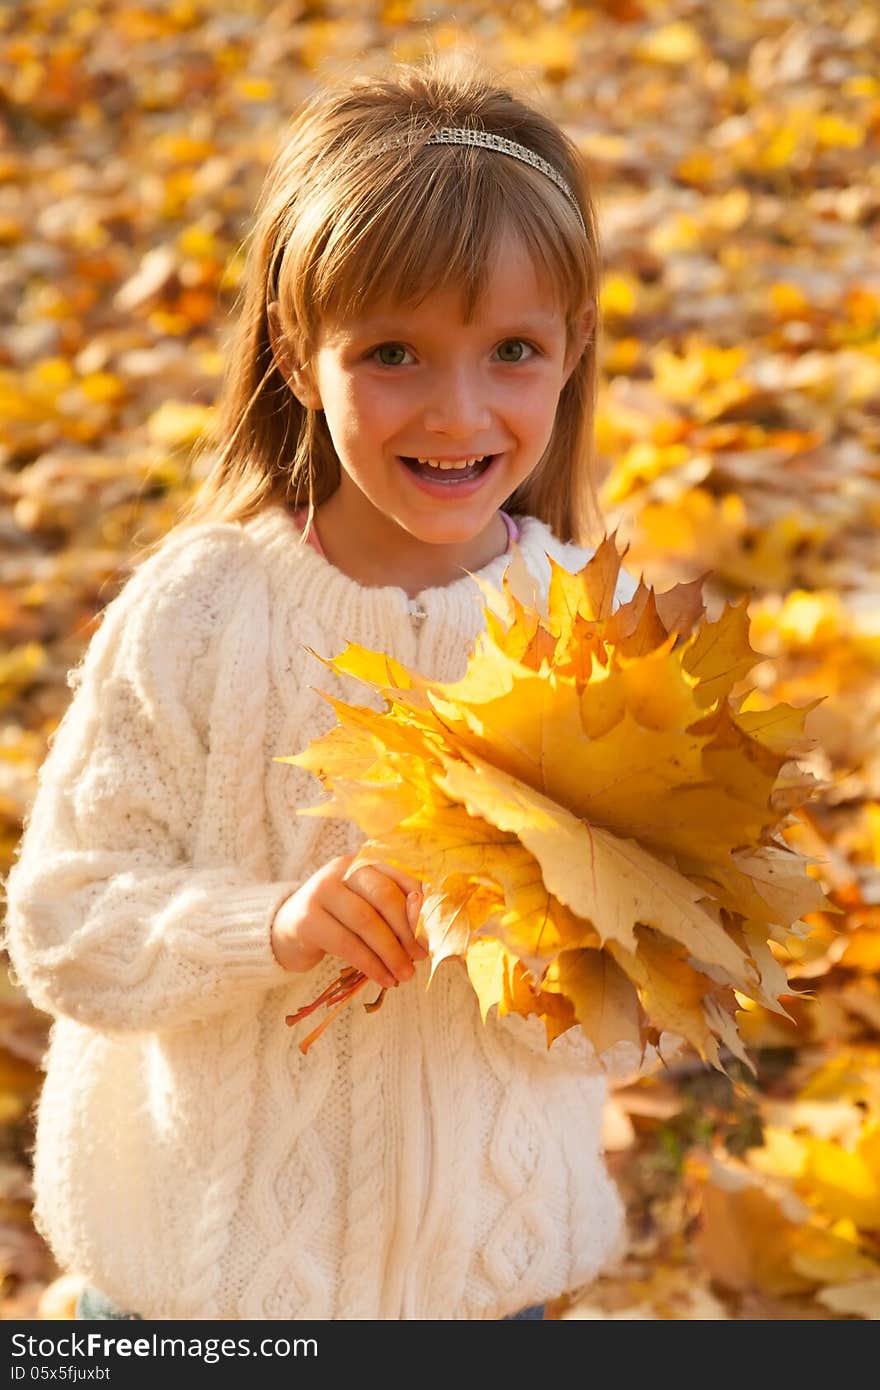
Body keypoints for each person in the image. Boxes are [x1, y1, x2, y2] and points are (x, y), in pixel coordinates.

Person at [1, 52, 642, 1321]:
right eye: (394, 352)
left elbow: (651, 1003)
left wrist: (562, 950)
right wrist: (270, 927)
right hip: (204, 1289)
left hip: (484, 1291)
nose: (458, 410)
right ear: (300, 355)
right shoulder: (202, 610)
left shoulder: (595, 630)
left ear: (570, 349)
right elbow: (65, 923)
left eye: (511, 348)